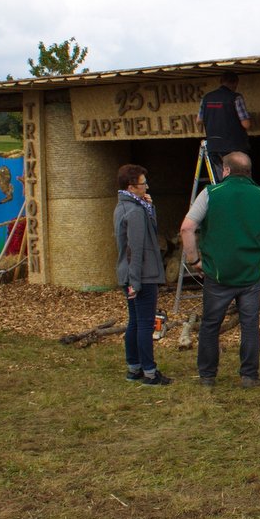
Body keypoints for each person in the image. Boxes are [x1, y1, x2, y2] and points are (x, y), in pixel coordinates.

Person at [181, 151, 260, 388]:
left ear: (226, 170)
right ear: (249, 172)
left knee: (211, 324)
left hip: (218, 273)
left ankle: (207, 376)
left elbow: (187, 228)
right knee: (250, 324)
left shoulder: (211, 193)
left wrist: (194, 261)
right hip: (251, 272)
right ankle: (249, 376)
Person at [115, 164, 169, 385]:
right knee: (145, 324)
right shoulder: (135, 212)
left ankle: (134, 367)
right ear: (131, 187)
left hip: (131, 274)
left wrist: (151, 208)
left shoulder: (126, 206)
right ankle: (149, 371)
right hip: (142, 276)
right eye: (143, 183)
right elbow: (134, 249)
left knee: (135, 322)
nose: (146, 186)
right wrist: (135, 282)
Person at [199, 71, 251, 180]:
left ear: (221, 82)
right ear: (235, 83)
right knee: (239, 177)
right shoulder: (235, 97)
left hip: (213, 146)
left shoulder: (206, 98)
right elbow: (246, 124)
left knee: (220, 178)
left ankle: (222, 195)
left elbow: (198, 120)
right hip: (233, 147)